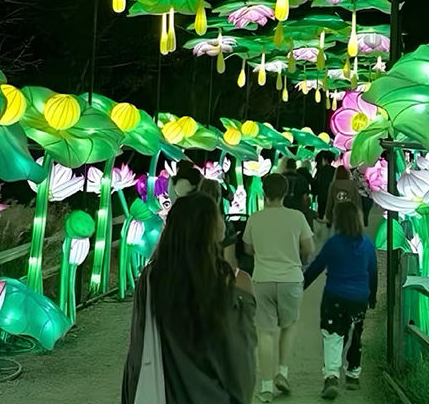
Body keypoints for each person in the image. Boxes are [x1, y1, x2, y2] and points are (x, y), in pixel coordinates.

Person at [121, 193, 256, 404]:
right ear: (212, 228)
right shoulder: (233, 283)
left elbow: (138, 346)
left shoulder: (150, 279)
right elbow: (239, 358)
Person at [243, 173, 315, 402]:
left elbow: (247, 248)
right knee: (289, 325)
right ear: (286, 193)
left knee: (265, 333)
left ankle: (266, 388)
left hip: (262, 279)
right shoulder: (297, 217)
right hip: (291, 279)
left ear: (264, 193)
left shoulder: (255, 218)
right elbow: (309, 247)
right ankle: (282, 373)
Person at [303, 200, 378, 399]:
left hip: (334, 297)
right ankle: (353, 375)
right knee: (356, 334)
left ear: (338, 220)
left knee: (332, 336)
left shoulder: (333, 243)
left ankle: (331, 377)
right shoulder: (367, 244)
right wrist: (372, 297)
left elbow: (317, 267)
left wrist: (301, 286)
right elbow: (373, 272)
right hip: (359, 298)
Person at [312, 150, 336, 220]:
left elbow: (316, 186)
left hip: (322, 199)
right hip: (332, 199)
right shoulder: (335, 171)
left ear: (324, 159)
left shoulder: (321, 171)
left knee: (321, 217)